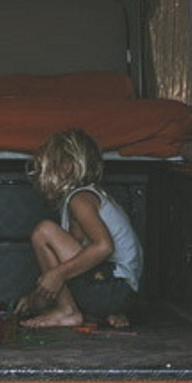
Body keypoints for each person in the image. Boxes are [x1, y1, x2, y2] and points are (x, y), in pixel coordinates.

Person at [21, 128, 143, 329]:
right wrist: (38, 294)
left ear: (68, 165)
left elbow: (104, 247)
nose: (43, 173)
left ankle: (68, 311)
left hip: (113, 288)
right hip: (121, 294)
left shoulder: (80, 199)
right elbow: (74, 255)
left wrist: (57, 274)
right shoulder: (88, 197)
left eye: (49, 165)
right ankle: (95, 312)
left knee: (44, 231)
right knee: (37, 302)